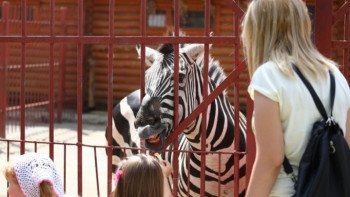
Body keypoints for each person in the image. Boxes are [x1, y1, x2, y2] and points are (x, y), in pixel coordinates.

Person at [241, 0, 350, 196]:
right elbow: (345, 147)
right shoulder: (337, 77)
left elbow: (271, 160)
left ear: (258, 31)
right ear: (303, 24)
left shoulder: (269, 76)